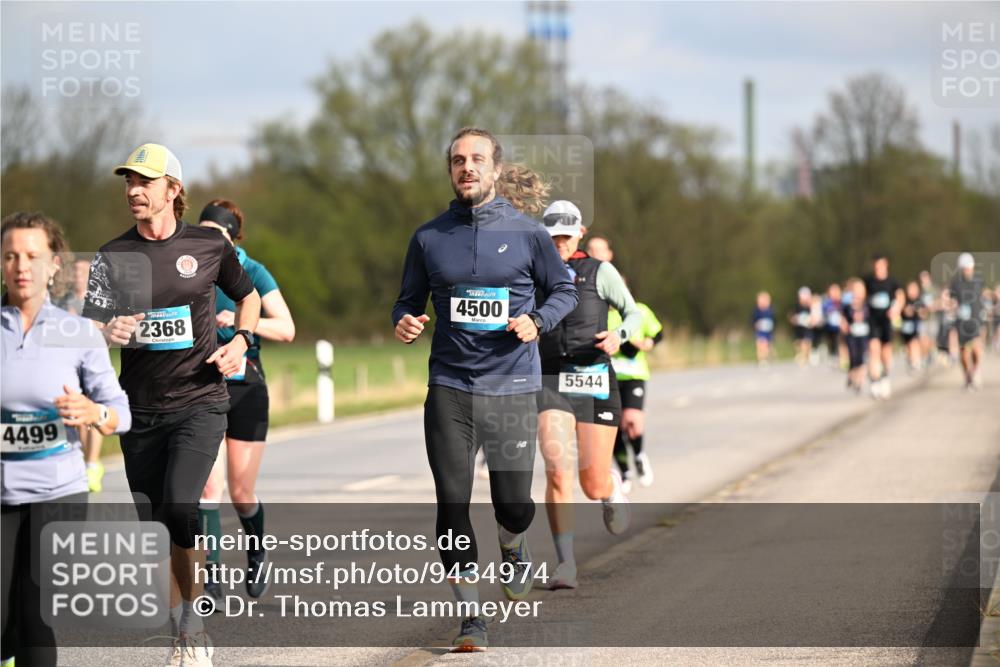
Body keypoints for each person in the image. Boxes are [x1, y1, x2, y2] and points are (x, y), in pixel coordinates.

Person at [391, 128, 577, 651]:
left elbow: (562, 288)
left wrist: (537, 321)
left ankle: (514, 544)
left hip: (513, 387)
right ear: (450, 171)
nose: (466, 167)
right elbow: (406, 301)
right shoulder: (429, 237)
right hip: (450, 386)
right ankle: (471, 617)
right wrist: (405, 321)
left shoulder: (528, 234)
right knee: (451, 503)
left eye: (477, 159)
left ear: (496, 168)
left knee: (512, 503)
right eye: (457, 160)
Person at [83, 143, 261, 666]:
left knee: (182, 506)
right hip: (140, 409)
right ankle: (180, 629)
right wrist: (108, 330)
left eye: (146, 181)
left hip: (200, 401)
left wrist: (241, 342)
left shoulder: (207, 245)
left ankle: (192, 627)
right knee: (158, 526)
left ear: (173, 190)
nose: (134, 191)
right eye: (128, 182)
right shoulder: (112, 255)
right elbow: (89, 326)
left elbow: (247, 297)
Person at [1, 212, 131, 667]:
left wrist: (93, 412)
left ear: (54, 265)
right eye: (12, 255)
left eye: (33, 256)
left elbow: (122, 412)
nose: (22, 265)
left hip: (57, 490)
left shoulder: (77, 333)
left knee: (35, 615)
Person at [534, 201, 641, 591]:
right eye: (552, 237)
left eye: (565, 236)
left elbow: (634, 314)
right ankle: (565, 563)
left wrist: (619, 336)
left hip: (595, 380)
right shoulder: (532, 273)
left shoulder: (600, 271)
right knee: (557, 470)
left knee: (591, 484)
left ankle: (610, 490)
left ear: (579, 233)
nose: (559, 244)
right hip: (550, 381)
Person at [194, 199, 295, 609]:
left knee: (240, 490)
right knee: (208, 487)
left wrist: (242, 325)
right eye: (200, 231)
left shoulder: (252, 271)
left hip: (247, 389)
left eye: (214, 234)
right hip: (203, 387)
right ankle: (213, 578)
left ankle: (256, 551)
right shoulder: (189, 268)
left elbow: (286, 329)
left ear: (232, 238)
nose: (206, 240)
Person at [58, 256, 108, 491]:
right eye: (75, 272)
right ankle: (83, 460)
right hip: (69, 363)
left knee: (93, 413)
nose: (78, 276)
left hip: (93, 363)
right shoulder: (63, 301)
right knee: (78, 413)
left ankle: (92, 463)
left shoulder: (99, 301)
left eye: (83, 272)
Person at [610, 299, 663, 493]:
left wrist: (649, 342)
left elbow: (658, 333)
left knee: (631, 420)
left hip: (634, 375)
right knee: (613, 428)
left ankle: (639, 456)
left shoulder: (638, 310)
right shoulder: (599, 312)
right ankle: (625, 471)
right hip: (608, 376)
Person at [863, 255, 904, 399]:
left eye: (880, 266)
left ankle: (885, 378)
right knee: (874, 351)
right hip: (873, 321)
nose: (878, 269)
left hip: (886, 321)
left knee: (885, 354)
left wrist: (896, 309)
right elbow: (861, 295)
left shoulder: (892, 282)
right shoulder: (868, 281)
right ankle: (874, 382)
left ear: (886, 265)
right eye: (876, 266)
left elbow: (900, 297)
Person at [949, 253, 984, 390]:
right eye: (965, 268)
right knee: (964, 352)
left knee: (976, 349)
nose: (968, 271)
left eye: (969, 268)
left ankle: (974, 371)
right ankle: (967, 376)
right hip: (962, 322)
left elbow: (983, 293)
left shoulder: (979, 280)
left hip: (976, 320)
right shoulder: (956, 283)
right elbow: (951, 300)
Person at [840, 278, 870, 395]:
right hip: (851, 335)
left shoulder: (867, 305)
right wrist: (844, 325)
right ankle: (851, 376)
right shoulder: (847, 306)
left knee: (861, 358)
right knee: (853, 357)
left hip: (863, 335)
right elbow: (842, 318)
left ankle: (859, 382)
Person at [900, 281, 927, 372]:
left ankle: (916, 361)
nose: (912, 291)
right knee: (908, 345)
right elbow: (904, 311)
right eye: (910, 289)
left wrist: (920, 312)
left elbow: (924, 314)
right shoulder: (904, 300)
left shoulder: (919, 301)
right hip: (906, 327)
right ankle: (911, 360)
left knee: (914, 342)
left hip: (916, 325)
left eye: (914, 289)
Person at [821, 283, 844, 369]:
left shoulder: (842, 302)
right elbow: (823, 312)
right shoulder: (827, 302)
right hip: (830, 326)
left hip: (840, 326)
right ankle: (833, 356)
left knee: (840, 342)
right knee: (832, 342)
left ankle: (842, 359)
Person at [789, 287, 813, 366]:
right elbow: (791, 316)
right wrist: (795, 319)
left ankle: (806, 357)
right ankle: (801, 355)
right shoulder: (796, 306)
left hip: (807, 327)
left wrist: (811, 321)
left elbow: (814, 316)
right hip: (799, 327)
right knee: (799, 342)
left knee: (807, 341)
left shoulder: (810, 306)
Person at [751, 291, 775, 366]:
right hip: (760, 331)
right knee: (759, 344)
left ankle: (765, 357)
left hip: (768, 332)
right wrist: (755, 325)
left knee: (766, 345)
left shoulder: (770, 311)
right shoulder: (756, 311)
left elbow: (773, 320)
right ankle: (760, 359)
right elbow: (753, 320)